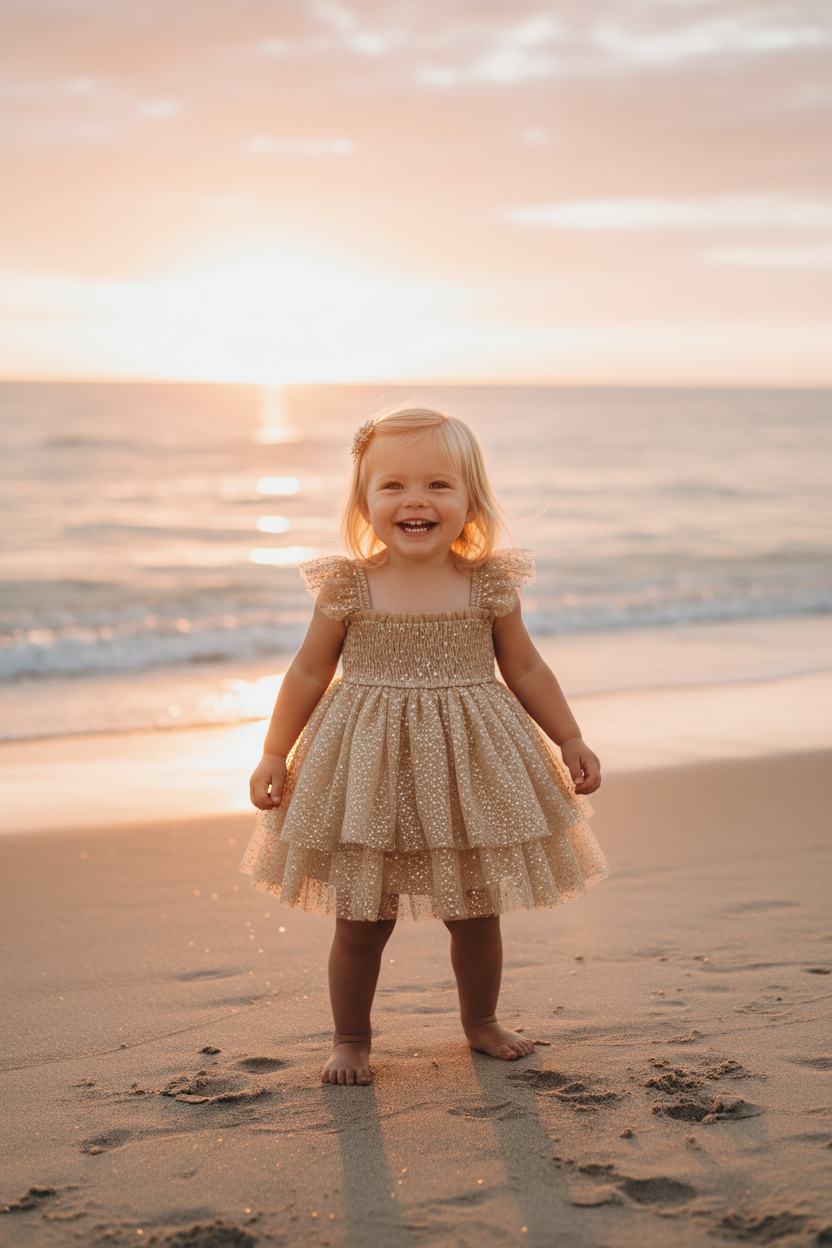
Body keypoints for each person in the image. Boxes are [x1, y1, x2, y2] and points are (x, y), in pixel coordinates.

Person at [243, 406, 607, 1086]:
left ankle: (481, 1021)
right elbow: (306, 672)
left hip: (467, 768)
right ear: (365, 501)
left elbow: (524, 668)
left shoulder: (488, 582)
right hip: (365, 770)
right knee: (359, 921)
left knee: (475, 914)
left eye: (439, 485)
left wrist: (570, 736)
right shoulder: (348, 585)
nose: (416, 500)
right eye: (394, 487)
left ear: (471, 500)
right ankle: (351, 1037)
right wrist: (272, 751)